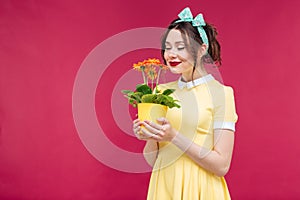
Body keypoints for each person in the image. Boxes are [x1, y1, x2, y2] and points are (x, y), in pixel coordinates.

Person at [133, 7, 238, 200]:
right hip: (164, 186)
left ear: (202, 49)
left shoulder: (222, 94)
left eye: (180, 47)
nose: (170, 54)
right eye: (168, 47)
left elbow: (222, 165)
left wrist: (173, 136)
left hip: (201, 187)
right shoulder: (161, 92)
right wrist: (150, 135)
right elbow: (153, 160)